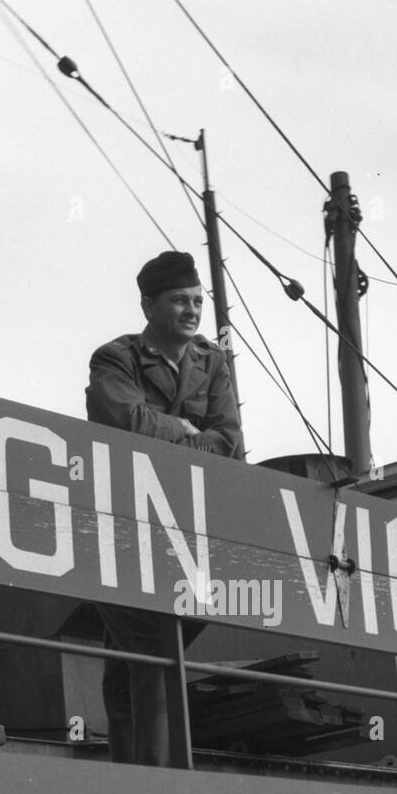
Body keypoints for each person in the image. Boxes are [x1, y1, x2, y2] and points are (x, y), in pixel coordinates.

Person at [85, 250, 245, 765]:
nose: (193, 310)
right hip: (126, 521)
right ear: (149, 305)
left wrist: (172, 435)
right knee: (145, 650)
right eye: (180, 300)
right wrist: (187, 430)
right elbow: (127, 425)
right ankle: (152, 777)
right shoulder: (114, 358)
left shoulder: (211, 361)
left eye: (198, 300)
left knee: (136, 656)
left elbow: (230, 443)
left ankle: (139, 773)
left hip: (190, 525)